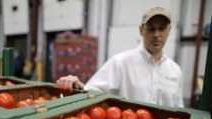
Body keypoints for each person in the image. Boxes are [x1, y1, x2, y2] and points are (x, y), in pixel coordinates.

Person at [56, 5, 184, 108]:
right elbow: (91, 91)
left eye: (161, 29)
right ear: (141, 30)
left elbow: (179, 111)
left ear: (169, 30)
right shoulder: (121, 62)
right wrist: (76, 85)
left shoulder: (175, 71)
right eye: (151, 29)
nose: (157, 34)